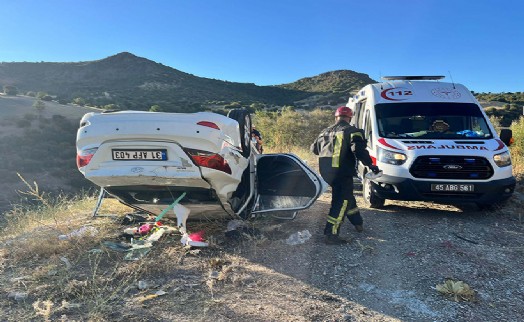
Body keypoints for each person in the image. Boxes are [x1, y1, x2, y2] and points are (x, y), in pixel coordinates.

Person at [310, 106, 380, 245]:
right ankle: (331, 234)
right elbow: (359, 150)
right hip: (342, 172)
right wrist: (371, 165)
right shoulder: (353, 131)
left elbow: (314, 150)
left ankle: (358, 223)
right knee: (341, 202)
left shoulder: (324, 132)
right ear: (350, 117)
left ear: (336, 117)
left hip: (326, 173)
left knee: (347, 196)